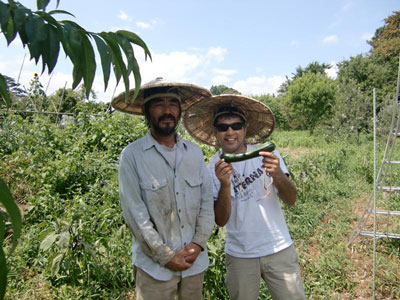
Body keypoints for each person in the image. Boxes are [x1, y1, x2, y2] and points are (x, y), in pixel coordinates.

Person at [183, 94, 306, 300]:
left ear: (245, 128)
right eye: (223, 127)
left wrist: (276, 174)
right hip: (240, 255)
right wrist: (225, 185)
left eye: (236, 125)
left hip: (278, 247)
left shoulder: (267, 156)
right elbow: (221, 221)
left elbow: (291, 199)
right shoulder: (211, 169)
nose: (230, 132)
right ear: (215, 132)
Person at [111, 77, 215, 300]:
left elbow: (207, 204)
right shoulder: (132, 156)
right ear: (147, 111)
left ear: (179, 110)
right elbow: (135, 215)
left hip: (194, 265)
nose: (167, 110)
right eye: (159, 104)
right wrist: (166, 256)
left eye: (172, 104)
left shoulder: (194, 153)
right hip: (154, 270)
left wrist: (198, 243)